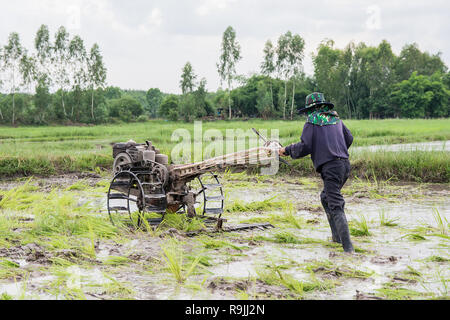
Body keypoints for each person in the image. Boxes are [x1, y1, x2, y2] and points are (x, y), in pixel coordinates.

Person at [279, 92, 355, 253]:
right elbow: (349, 139)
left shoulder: (311, 122)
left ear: (311, 109)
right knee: (325, 197)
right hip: (344, 165)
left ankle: (348, 249)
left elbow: (304, 147)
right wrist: (337, 150)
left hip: (331, 168)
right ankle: (336, 238)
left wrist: (286, 150)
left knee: (336, 205)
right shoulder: (336, 120)